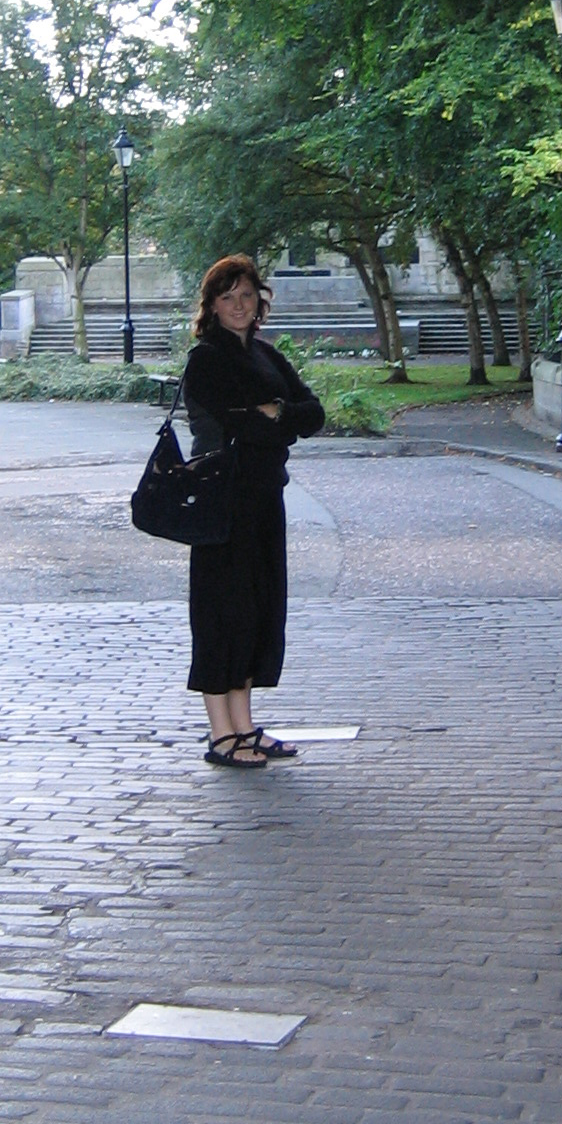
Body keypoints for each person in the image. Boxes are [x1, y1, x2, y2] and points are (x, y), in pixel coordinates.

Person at [179, 254, 324, 766]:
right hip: (223, 503)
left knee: (256, 614)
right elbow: (241, 427)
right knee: (222, 615)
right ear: (212, 306)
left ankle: (245, 726)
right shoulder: (207, 359)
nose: (239, 305)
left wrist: (276, 413)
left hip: (264, 498)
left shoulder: (267, 355)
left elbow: (313, 413)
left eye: (247, 295)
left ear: (259, 301)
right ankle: (221, 735)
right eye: (228, 297)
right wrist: (271, 420)